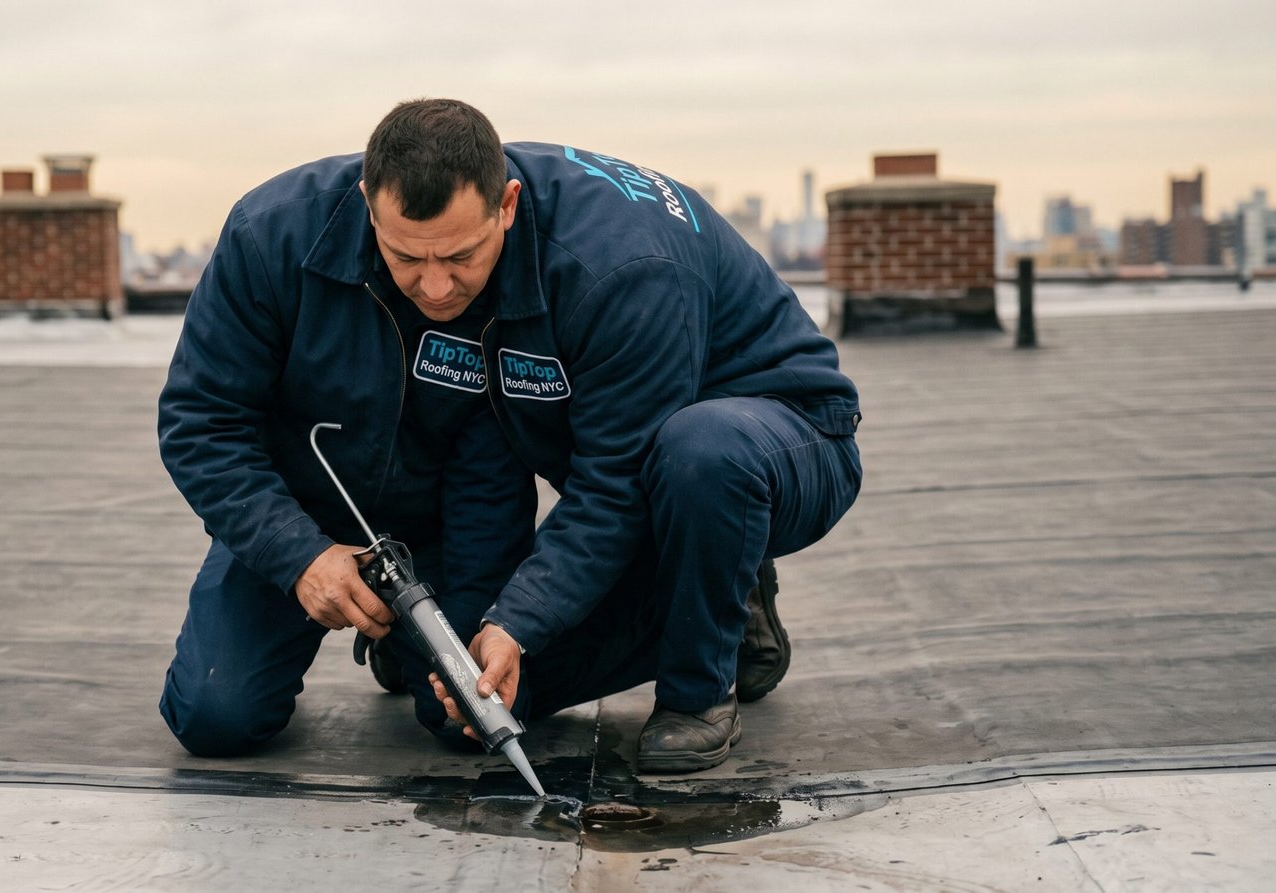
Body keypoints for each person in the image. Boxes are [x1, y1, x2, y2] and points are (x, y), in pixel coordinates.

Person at [158, 98, 862, 773]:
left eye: (459, 256)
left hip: (772, 441)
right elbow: (199, 422)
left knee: (696, 456)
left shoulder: (616, 270)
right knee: (226, 714)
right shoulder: (268, 235)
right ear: (367, 202)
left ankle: (705, 661)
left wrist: (512, 622)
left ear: (508, 206)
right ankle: (429, 641)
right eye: (407, 257)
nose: (435, 289)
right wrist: (299, 556)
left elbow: (611, 481)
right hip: (320, 502)